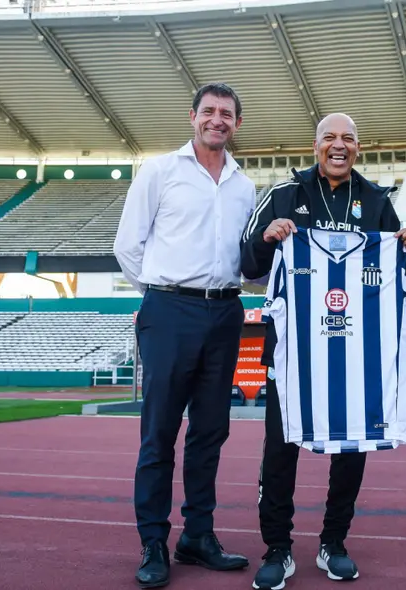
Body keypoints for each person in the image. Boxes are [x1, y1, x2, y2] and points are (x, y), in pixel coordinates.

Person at [240, 112, 406, 590]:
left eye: (348, 139)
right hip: (294, 354)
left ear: (358, 147)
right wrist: (268, 237)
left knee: (353, 447)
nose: (338, 146)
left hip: (357, 354)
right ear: (315, 145)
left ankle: (333, 541)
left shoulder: (379, 202)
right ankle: (277, 548)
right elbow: (247, 262)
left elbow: (401, 273)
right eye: (329, 138)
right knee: (280, 450)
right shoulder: (283, 196)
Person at [114, 82, 257, 589]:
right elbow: (127, 246)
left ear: (237, 124)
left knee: (210, 432)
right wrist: (161, 294)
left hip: (225, 313)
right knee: (159, 433)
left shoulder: (244, 186)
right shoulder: (159, 170)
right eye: (209, 111)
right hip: (170, 309)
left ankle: (198, 535)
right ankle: (153, 540)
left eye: (227, 114)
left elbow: (249, 265)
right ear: (192, 116)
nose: (217, 120)